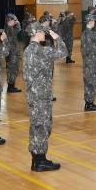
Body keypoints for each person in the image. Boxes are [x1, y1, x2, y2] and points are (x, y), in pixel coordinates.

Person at [22, 22, 68, 171]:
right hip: (41, 95)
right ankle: (40, 161)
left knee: (36, 127)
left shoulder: (28, 50)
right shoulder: (41, 51)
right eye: (43, 32)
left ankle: (37, 159)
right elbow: (63, 52)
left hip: (33, 94)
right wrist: (57, 37)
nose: (45, 34)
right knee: (43, 127)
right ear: (36, 33)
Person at [4, 14, 22, 93]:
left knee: (13, 70)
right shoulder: (9, 29)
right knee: (11, 70)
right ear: (9, 21)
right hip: (11, 53)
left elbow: (17, 31)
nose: (15, 21)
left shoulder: (9, 28)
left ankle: (11, 86)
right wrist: (17, 24)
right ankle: (10, 87)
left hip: (12, 52)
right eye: (13, 20)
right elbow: (16, 31)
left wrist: (16, 24)